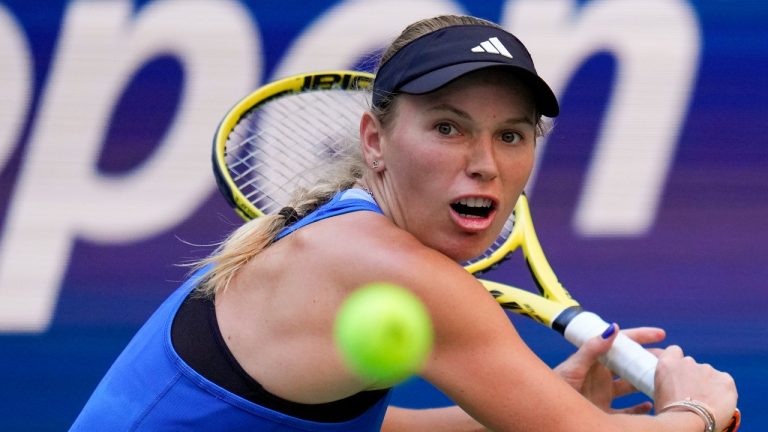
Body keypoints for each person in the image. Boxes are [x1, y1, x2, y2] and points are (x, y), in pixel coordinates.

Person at [71, 14, 737, 431]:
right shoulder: (399, 273)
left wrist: (536, 405)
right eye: (449, 128)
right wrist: (696, 409)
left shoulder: (329, 233)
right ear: (374, 140)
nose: (484, 164)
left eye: (512, 135)